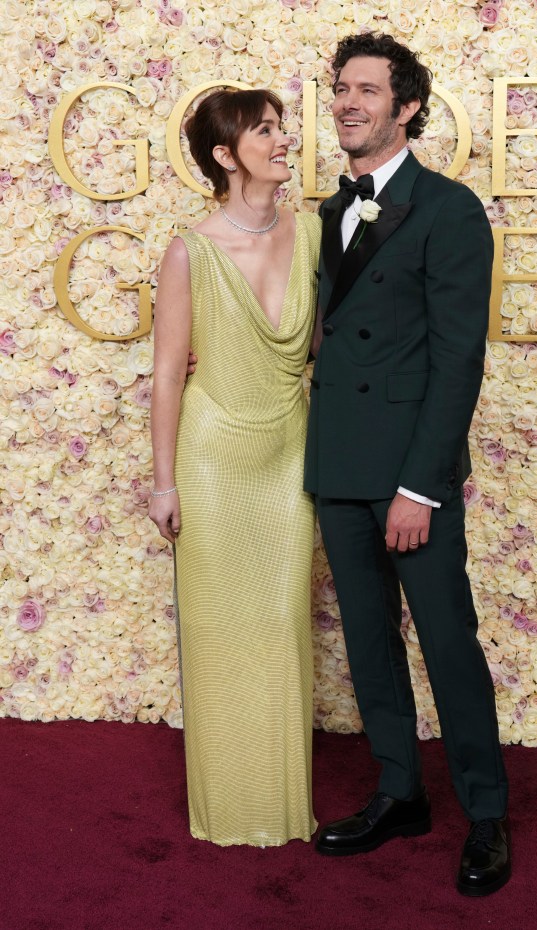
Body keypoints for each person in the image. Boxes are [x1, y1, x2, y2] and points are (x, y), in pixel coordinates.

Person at [304, 33, 510, 895]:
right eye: (340, 89)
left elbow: (459, 359)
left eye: (366, 90)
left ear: (408, 106)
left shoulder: (450, 208)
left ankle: (487, 814)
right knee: (368, 641)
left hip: (409, 476)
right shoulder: (327, 211)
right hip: (339, 466)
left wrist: (421, 486)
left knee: (446, 641)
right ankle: (400, 792)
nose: (348, 102)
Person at [149, 88, 320, 846]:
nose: (286, 140)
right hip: (213, 460)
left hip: (290, 456)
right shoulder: (189, 250)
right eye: (267, 131)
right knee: (220, 631)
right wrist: (164, 481)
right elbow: (165, 373)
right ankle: (225, 807)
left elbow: (328, 343)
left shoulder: (315, 234)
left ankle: (283, 803)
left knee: (281, 626)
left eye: (284, 127)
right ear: (225, 155)